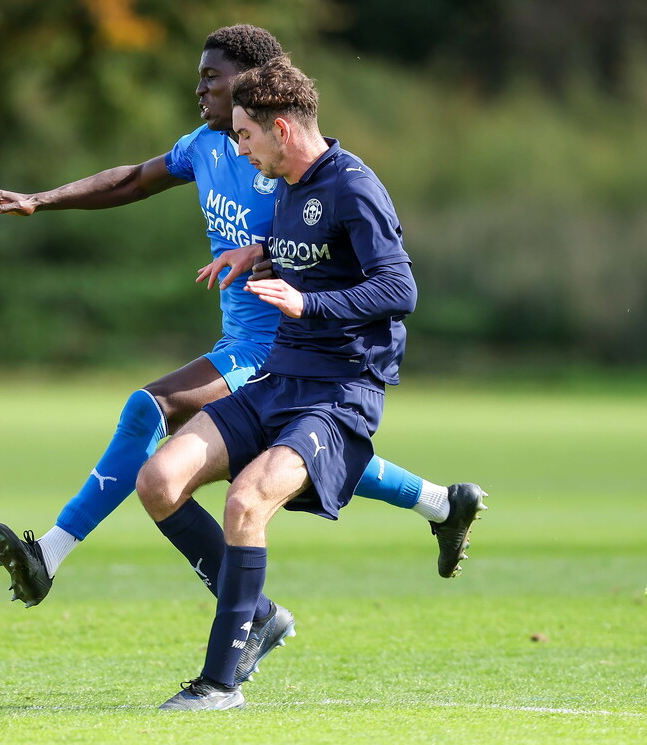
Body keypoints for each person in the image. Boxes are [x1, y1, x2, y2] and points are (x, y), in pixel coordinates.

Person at [0, 25, 482, 609]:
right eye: (199, 77)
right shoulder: (205, 146)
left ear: (252, 85)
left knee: (151, 407)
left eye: (212, 77)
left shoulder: (289, 161)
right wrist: (40, 198)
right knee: (301, 452)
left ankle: (50, 554)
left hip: (285, 343)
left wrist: (285, 271)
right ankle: (440, 503)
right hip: (242, 339)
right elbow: (132, 179)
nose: (200, 89)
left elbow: (366, 258)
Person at [137, 55, 488, 711]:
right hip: (282, 377)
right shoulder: (289, 182)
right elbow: (312, 247)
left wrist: (310, 306)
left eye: (244, 135)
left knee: (246, 503)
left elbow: (397, 287)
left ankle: (217, 685)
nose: (238, 148)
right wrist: (258, 252)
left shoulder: (355, 186)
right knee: (158, 482)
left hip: (342, 393)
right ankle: (258, 613)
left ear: (280, 128)